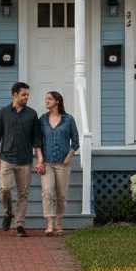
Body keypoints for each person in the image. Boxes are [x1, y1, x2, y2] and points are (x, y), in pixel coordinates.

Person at [0, 81, 43, 237]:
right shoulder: (3, 113)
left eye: (27, 94)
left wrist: (39, 159)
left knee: (23, 193)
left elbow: (37, 140)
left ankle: (20, 224)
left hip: (25, 159)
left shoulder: (32, 114)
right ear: (15, 95)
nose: (27, 97)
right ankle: (8, 214)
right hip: (6, 157)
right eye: (24, 94)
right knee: (4, 188)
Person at [36, 90, 79, 236]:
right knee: (47, 192)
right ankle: (49, 224)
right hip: (47, 162)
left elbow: (76, 141)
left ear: (57, 101)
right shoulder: (42, 119)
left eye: (49, 99)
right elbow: (37, 142)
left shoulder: (68, 119)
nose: (46, 101)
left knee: (61, 195)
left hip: (63, 163)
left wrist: (70, 155)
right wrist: (40, 160)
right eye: (46, 98)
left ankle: (59, 225)